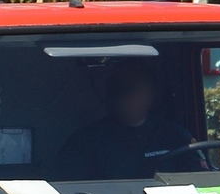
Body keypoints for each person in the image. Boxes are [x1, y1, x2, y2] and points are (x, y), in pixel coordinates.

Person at [55, 61, 203, 180]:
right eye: (116, 89)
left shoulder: (174, 135)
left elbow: (200, 181)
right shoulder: (84, 142)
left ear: (150, 94)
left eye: (132, 90)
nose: (123, 97)